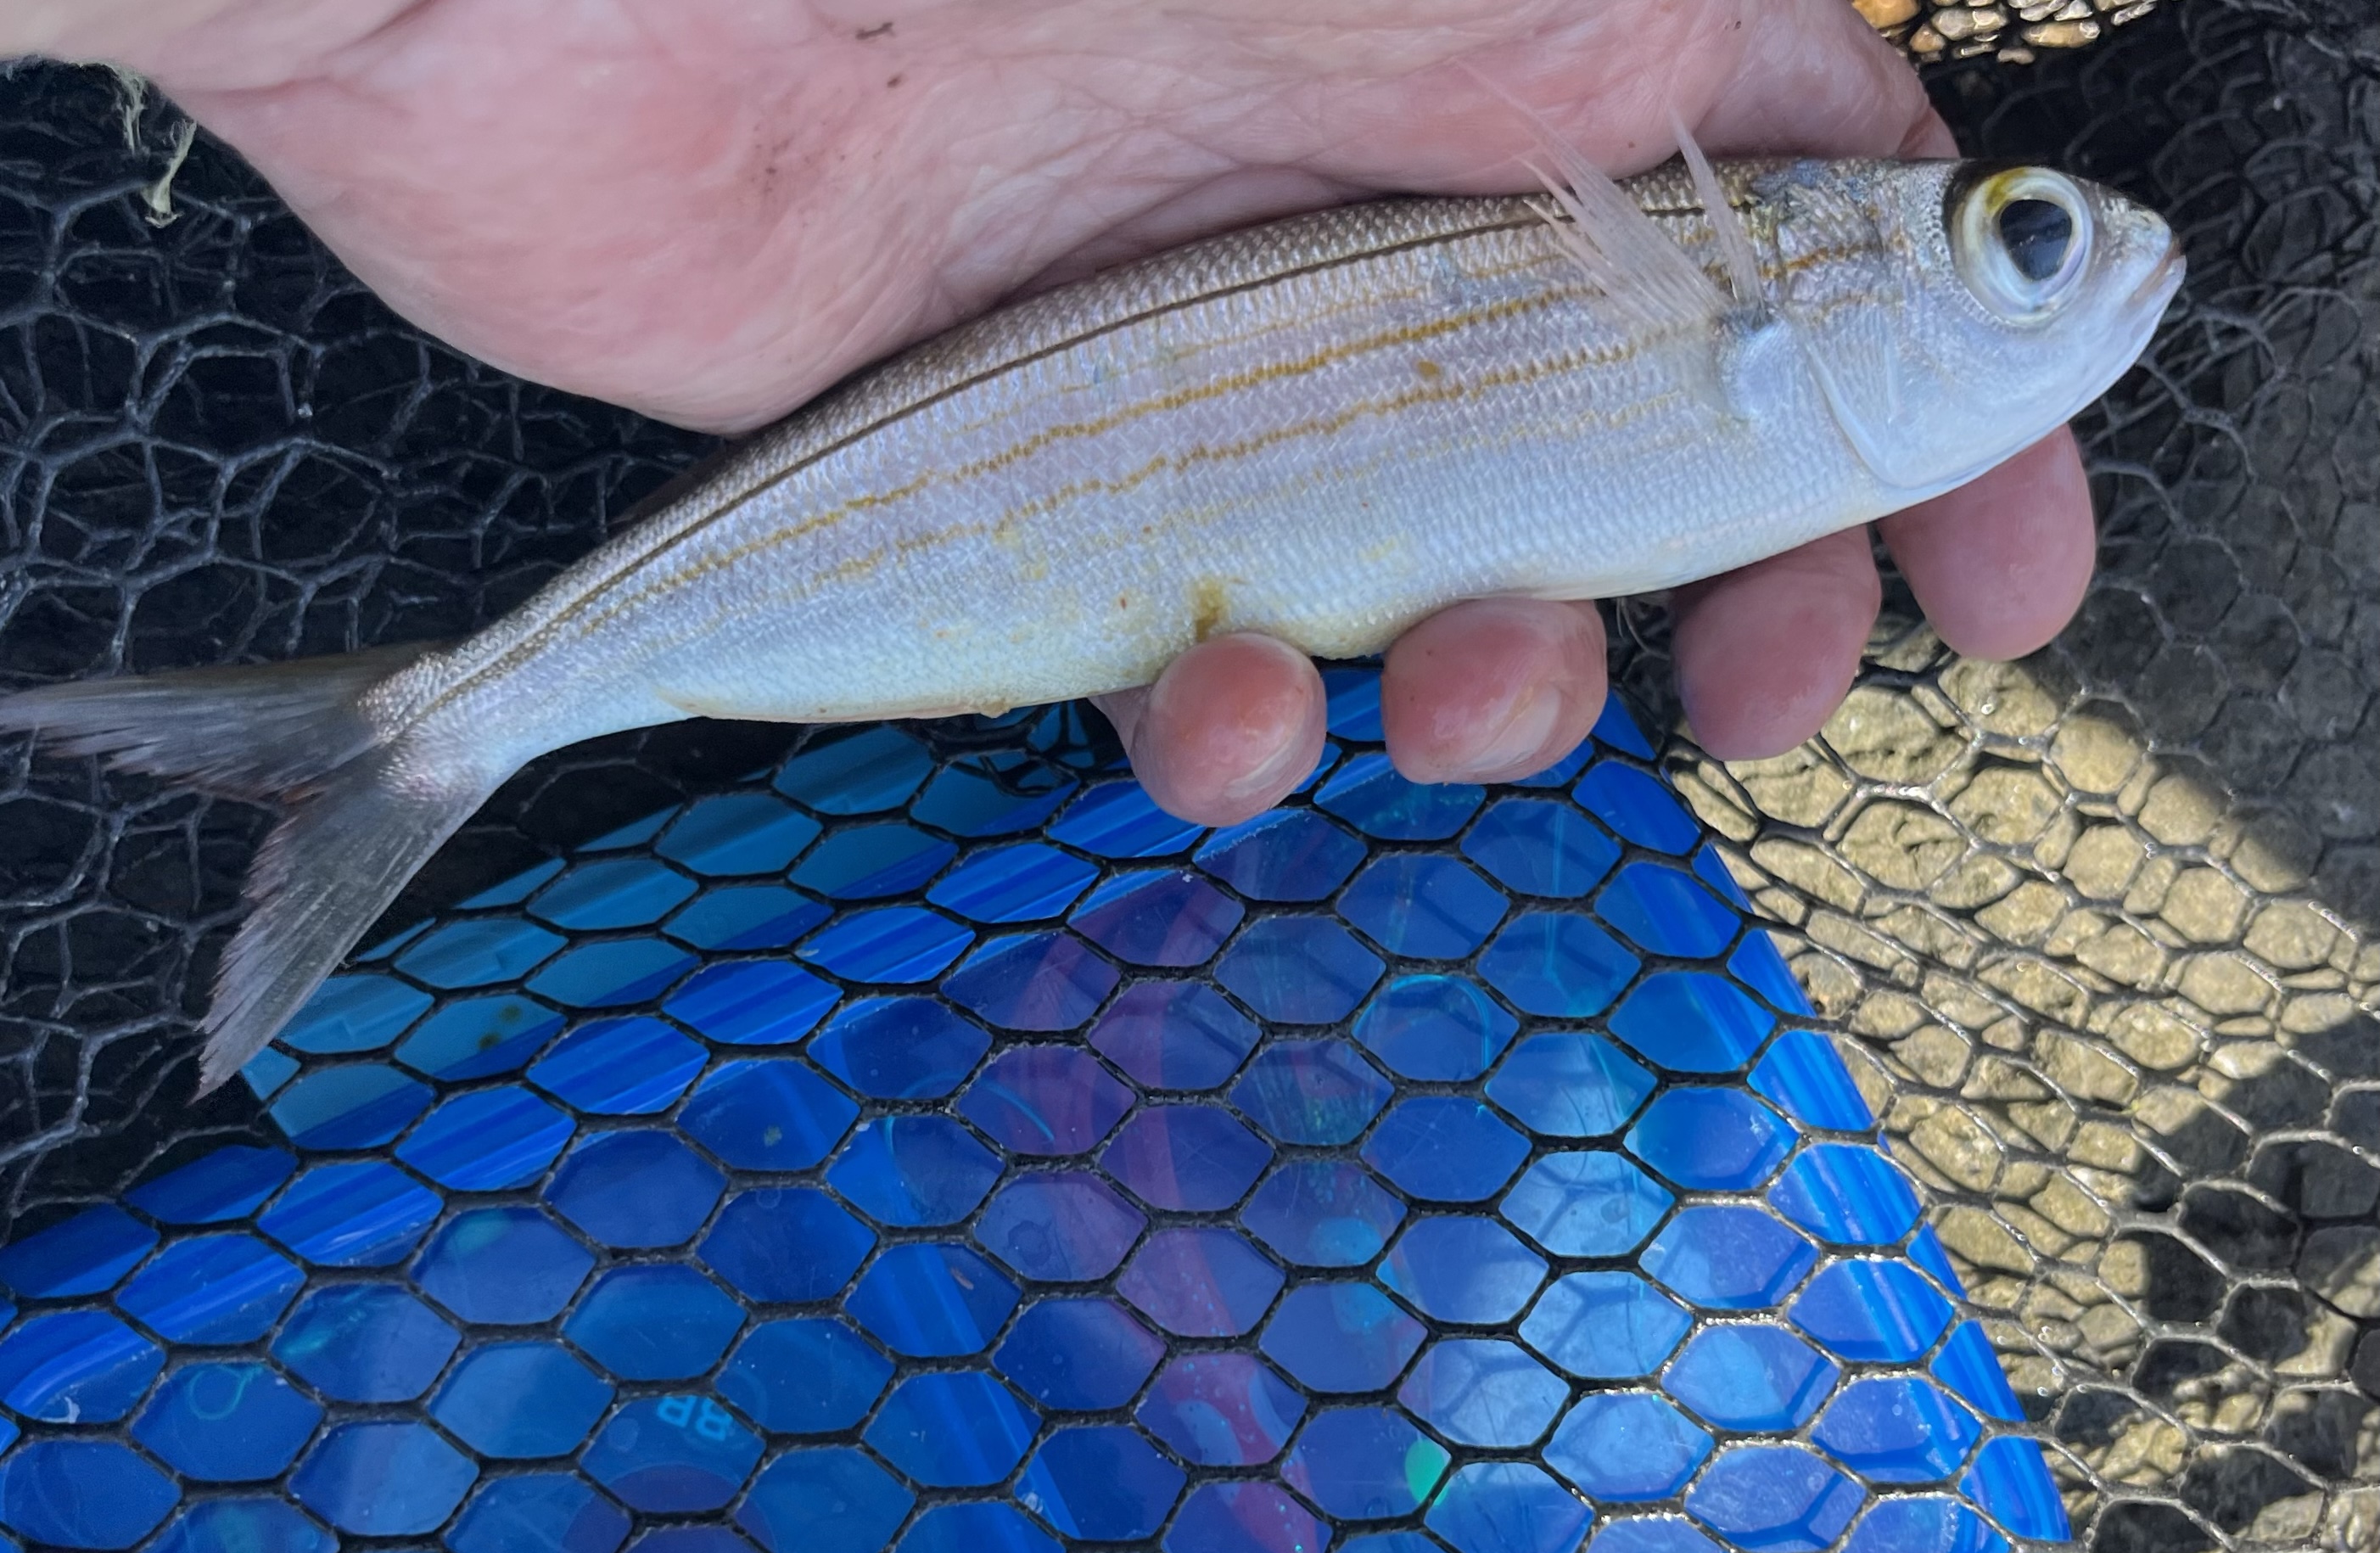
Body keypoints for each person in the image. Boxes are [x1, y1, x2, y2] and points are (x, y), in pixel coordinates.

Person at [13, 0, 2094, 827]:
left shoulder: (1764, 328)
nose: (2081, 257)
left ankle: (442, 729)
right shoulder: (1752, 315)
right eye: (2023, 240)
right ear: (1808, 275)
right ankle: (445, 728)